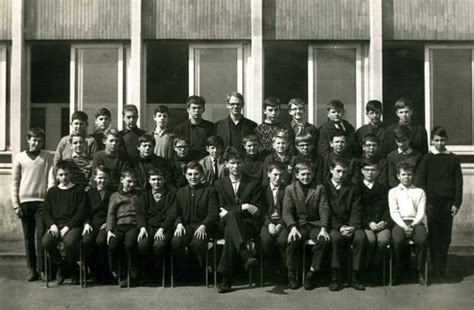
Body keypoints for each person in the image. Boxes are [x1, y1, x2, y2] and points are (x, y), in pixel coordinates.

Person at [417, 126, 463, 281]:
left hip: (447, 204)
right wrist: (426, 203)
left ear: (446, 140)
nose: (439, 143)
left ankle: (443, 266)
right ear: (431, 141)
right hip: (432, 204)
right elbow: (421, 182)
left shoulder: (453, 159)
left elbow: (458, 183)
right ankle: (435, 267)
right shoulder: (427, 158)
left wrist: (456, 203)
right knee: (434, 235)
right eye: (436, 140)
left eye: (442, 140)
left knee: (446, 236)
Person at [214, 147, 262, 293]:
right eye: (232, 163)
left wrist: (235, 209)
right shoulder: (219, 184)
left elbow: (257, 209)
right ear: (226, 164)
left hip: (247, 224)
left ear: (243, 163)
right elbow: (220, 209)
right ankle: (245, 255)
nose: (236, 166)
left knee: (231, 227)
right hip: (225, 223)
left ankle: (225, 279)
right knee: (232, 220)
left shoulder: (253, 182)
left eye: (239, 163)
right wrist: (245, 206)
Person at [11, 127, 55, 281]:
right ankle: (32, 269)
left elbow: (51, 179)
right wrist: (16, 204)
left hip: (42, 202)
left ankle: (43, 269)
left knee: (41, 235)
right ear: (28, 140)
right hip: (25, 202)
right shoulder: (19, 158)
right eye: (34, 140)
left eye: (40, 141)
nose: (36, 143)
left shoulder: (47, 157)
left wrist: (49, 200)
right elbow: (15, 182)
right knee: (28, 237)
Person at [282, 161, 330, 290]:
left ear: (313, 174)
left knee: (323, 240)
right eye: (302, 174)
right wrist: (292, 227)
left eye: (309, 174)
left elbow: (324, 209)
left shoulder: (320, 188)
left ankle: (311, 273)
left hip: (315, 224)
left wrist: (323, 229)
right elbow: (287, 211)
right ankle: (291, 275)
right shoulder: (290, 189)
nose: (306, 177)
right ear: (296, 175)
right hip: (299, 225)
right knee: (293, 240)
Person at [171, 162, 219, 281]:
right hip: (186, 226)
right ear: (185, 175)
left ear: (202, 174)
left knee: (197, 244)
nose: (193, 177)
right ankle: (184, 270)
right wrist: (179, 224)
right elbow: (175, 212)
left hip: (202, 225)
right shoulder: (180, 192)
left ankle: (199, 271)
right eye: (190, 174)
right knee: (176, 241)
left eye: (196, 174)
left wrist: (204, 225)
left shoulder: (209, 191)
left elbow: (213, 212)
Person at [42, 160, 86, 285]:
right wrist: (52, 225)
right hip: (56, 225)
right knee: (46, 242)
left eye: (66, 174)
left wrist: (68, 227)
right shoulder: (52, 192)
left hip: (72, 226)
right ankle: (63, 266)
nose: (64, 177)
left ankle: (73, 269)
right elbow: (45, 211)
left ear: (71, 174)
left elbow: (81, 212)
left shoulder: (78, 190)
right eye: (61, 175)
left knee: (69, 243)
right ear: (57, 175)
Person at [325, 158, 365, 291]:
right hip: (334, 225)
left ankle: (355, 277)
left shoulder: (353, 187)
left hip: (351, 224)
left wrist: (353, 226)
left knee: (360, 238)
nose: (341, 175)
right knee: (335, 239)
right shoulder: (324, 187)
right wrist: (339, 227)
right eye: (338, 171)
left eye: (344, 172)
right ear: (331, 170)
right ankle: (335, 278)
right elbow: (326, 211)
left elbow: (357, 209)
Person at [389, 161, 427, 285]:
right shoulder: (393, 192)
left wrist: (413, 224)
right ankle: (397, 272)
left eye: (409, 174)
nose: (406, 177)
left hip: (416, 222)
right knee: (398, 241)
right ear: (398, 176)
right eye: (404, 174)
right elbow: (394, 212)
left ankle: (420, 272)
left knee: (421, 240)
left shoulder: (420, 192)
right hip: (400, 222)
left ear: (413, 175)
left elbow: (421, 212)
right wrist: (403, 225)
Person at [136, 168, 177, 282]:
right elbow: (140, 214)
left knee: (159, 245)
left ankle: (158, 272)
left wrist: (162, 229)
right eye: (153, 179)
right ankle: (148, 271)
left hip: (164, 228)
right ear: (149, 181)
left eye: (159, 179)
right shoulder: (144, 196)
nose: (156, 182)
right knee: (143, 244)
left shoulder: (170, 195)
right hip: (148, 228)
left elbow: (172, 215)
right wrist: (142, 228)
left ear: (164, 180)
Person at [106, 169, 141, 288]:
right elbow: (111, 213)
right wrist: (109, 230)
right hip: (120, 226)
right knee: (113, 244)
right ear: (121, 180)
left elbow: (141, 213)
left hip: (133, 225)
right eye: (129, 181)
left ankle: (132, 275)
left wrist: (141, 227)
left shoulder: (138, 195)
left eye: (134, 182)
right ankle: (117, 272)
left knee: (130, 244)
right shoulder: (115, 196)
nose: (132, 184)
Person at [359, 159, 390, 284]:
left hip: (382, 223)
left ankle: (377, 267)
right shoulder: (358, 188)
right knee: (370, 240)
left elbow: (389, 208)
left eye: (373, 170)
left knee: (383, 240)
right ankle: (366, 269)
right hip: (366, 224)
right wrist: (368, 223)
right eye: (367, 170)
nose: (370, 173)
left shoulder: (383, 188)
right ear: (362, 171)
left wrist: (385, 221)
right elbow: (358, 209)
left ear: (378, 172)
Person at [82, 165, 113, 284]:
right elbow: (84, 211)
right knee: (86, 241)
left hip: (106, 224)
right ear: (94, 178)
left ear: (109, 179)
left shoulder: (112, 193)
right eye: (100, 178)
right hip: (92, 224)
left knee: (101, 241)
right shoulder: (89, 193)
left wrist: (108, 223)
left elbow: (114, 211)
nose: (102, 181)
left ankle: (105, 273)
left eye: (105, 178)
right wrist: (86, 223)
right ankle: (93, 272)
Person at [259, 162, 289, 278]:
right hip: (267, 221)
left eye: (281, 175)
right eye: (275, 174)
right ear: (268, 174)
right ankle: (271, 268)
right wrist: (269, 224)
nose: (278, 178)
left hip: (283, 221)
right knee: (265, 241)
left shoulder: (287, 190)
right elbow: (261, 210)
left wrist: (281, 224)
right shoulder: (262, 190)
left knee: (283, 240)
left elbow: (288, 210)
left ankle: (283, 270)